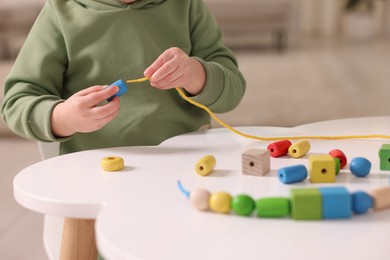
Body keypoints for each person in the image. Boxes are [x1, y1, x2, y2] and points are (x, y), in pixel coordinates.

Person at [1, 0, 246, 155]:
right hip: (93, 170)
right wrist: (64, 118)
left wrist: (196, 74)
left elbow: (233, 90)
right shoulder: (60, 11)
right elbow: (16, 102)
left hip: (186, 163)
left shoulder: (187, 5)